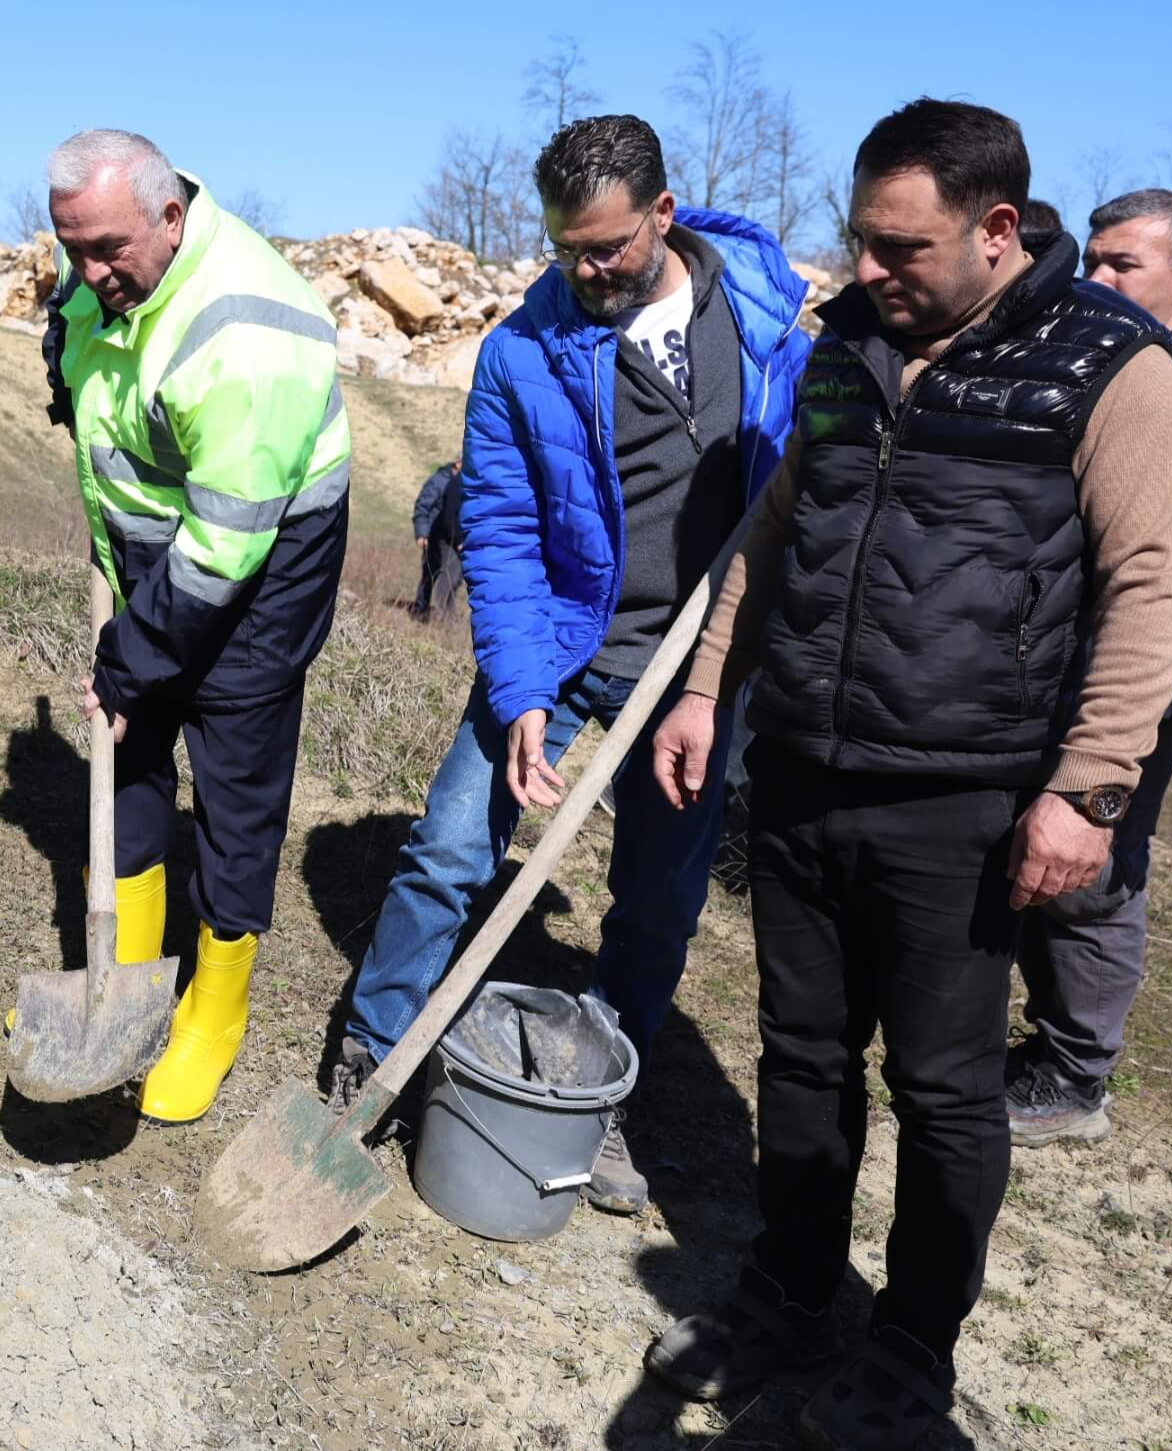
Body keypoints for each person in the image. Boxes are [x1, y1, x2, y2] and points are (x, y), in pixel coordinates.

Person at [644, 100, 1172, 1447]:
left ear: (997, 229)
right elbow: (775, 537)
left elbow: (1151, 584)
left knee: (944, 1084)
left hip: (968, 790)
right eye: (859, 240)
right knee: (801, 1049)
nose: (870, 269)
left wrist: (1091, 786)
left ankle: (913, 1341)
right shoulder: (845, 349)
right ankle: (791, 1280)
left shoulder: (1107, 364)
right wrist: (711, 686)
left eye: (902, 246)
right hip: (805, 768)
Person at [322, 115, 812, 1216]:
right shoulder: (520, 351)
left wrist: (723, 665)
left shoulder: (769, 313)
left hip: (703, 668)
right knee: (449, 849)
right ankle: (375, 1047)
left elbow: (795, 479)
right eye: (563, 249)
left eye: (606, 248)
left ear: (663, 216)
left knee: (657, 896)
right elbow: (496, 530)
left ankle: (595, 1097)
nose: (584, 272)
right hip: (567, 644)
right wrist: (524, 693)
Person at [36, 130, 350, 1125]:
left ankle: (213, 1011)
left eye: (107, 252)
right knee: (124, 749)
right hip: (156, 542)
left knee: (235, 781)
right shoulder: (109, 261)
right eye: (69, 247)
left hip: (262, 563)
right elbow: (88, 336)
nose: (88, 272)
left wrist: (130, 654)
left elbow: (223, 549)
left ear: (170, 217)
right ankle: (123, 980)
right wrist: (67, 351)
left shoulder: (251, 331)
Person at [1001, 190, 1172, 1147]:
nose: (1095, 280)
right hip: (1045, 654)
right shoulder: (1096, 350)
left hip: (1150, 675)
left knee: (1096, 866)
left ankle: (1075, 1074)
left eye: (1120, 265)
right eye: (1090, 260)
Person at [407, 455, 464, 619]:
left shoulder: (460, 483)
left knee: (451, 575)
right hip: (432, 534)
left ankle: (444, 612)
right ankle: (420, 609)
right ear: (457, 463)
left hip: (447, 534)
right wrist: (421, 533)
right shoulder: (439, 481)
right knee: (430, 573)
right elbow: (423, 506)